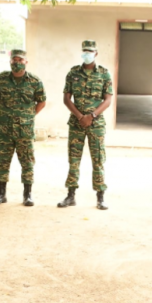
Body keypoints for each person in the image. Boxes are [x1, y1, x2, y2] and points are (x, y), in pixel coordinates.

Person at [59, 39, 113, 210]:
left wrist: (92, 115)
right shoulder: (73, 73)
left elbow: (108, 99)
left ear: (96, 53)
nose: (87, 54)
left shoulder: (104, 73)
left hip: (96, 124)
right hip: (76, 123)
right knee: (73, 160)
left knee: (98, 160)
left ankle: (100, 197)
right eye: (85, 51)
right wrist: (80, 116)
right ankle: (70, 195)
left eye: (90, 51)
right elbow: (66, 99)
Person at [0, 48, 46, 206]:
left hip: (25, 129)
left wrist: (29, 115)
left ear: (26, 62)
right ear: (10, 61)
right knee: (2, 160)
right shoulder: (1, 79)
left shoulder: (34, 81)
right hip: (5, 129)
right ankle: (1, 194)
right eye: (15, 60)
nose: (17, 63)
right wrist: (7, 112)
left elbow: (41, 101)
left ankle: (27, 195)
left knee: (27, 161)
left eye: (20, 60)